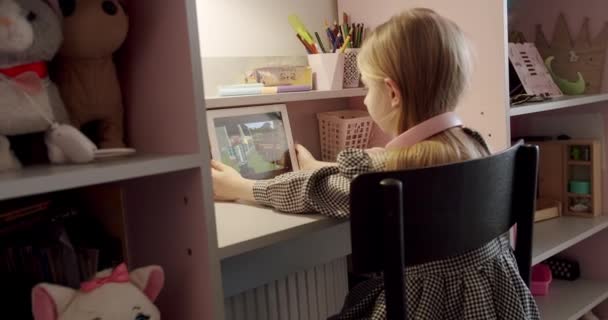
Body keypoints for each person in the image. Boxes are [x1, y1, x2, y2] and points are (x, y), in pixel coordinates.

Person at [211, 8, 540, 320]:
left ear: (392, 94)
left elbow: (313, 191)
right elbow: (381, 165)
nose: (366, 98)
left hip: (428, 308)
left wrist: (242, 186)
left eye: (367, 87)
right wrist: (318, 163)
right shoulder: (476, 147)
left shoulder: (382, 179)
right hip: (496, 304)